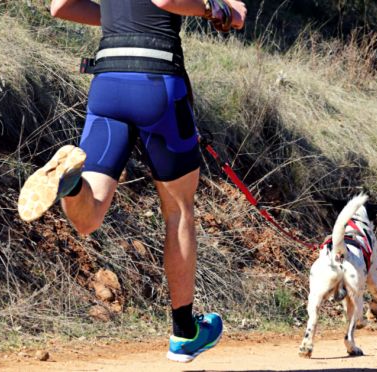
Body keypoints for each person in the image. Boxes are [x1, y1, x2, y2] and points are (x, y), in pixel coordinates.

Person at [17, 0, 246, 363]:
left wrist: (114, 17)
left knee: (87, 219)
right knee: (179, 211)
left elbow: (59, 6)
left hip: (108, 79)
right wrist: (214, 8)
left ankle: (70, 184)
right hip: (157, 81)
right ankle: (185, 333)